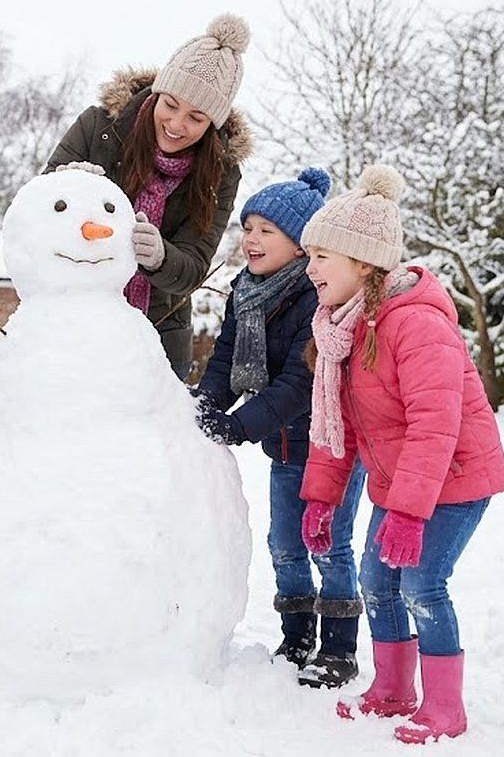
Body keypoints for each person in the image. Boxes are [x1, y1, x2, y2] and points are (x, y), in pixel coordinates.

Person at [297, 165, 504, 744]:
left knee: (420, 584)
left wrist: (411, 513)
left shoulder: (415, 324)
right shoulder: (343, 328)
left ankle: (447, 709)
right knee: (376, 580)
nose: (308, 266)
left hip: (457, 479)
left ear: (363, 263)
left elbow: (435, 426)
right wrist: (320, 499)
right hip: (406, 482)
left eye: (321, 256)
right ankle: (392, 690)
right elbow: (339, 429)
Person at [192, 168, 368, 689]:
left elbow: (299, 382)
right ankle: (297, 637)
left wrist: (238, 425)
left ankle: (339, 649)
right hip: (286, 447)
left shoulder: (318, 301)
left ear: (300, 246)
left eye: (267, 230)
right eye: (248, 227)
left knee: (329, 543)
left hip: (331, 444)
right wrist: (204, 405)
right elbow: (226, 359)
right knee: (284, 543)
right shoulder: (244, 293)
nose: (250, 238)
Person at [44, 14, 252, 379]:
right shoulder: (99, 129)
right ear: (157, 93)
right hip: (71, 320)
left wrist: (159, 258)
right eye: (170, 104)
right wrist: (67, 190)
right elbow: (36, 214)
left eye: (196, 117)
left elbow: (192, 269)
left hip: (158, 338)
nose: (176, 124)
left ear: (212, 124)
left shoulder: (220, 174)